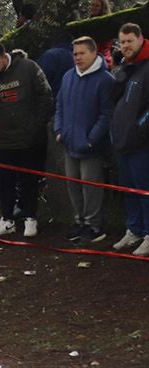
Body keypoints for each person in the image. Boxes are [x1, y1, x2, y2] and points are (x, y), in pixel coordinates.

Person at [0, 41, 54, 238]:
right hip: (0, 139)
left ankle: (31, 218)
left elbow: (46, 96)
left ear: (5, 58)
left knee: (29, 179)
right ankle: (7, 219)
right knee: (4, 181)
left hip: (30, 137)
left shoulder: (28, 67)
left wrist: (36, 125)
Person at [53, 37, 114, 244]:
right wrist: (59, 130)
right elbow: (59, 105)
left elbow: (106, 114)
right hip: (69, 143)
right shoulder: (68, 76)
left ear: (93, 53)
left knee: (91, 187)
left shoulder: (105, 79)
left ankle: (93, 226)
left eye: (81, 53)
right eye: (75, 53)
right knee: (73, 185)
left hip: (91, 147)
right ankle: (79, 222)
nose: (77, 57)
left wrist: (91, 139)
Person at [110, 23, 149, 256]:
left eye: (129, 41)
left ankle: (148, 232)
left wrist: (139, 128)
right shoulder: (125, 68)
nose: (125, 46)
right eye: (122, 42)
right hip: (122, 140)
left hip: (141, 142)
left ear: (140, 39)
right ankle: (133, 229)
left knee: (145, 189)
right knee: (128, 189)